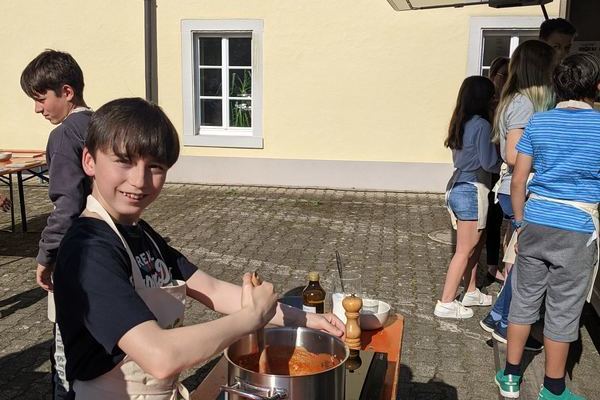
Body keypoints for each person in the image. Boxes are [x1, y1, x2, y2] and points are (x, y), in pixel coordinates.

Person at [53, 97, 345, 399]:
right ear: (89, 160)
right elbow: (160, 356)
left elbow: (213, 290)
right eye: (124, 161)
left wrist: (308, 320)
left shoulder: (141, 234)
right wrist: (249, 318)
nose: (139, 180)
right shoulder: (87, 251)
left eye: (155, 166)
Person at [495, 52, 600, 400]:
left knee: (523, 300)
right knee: (564, 309)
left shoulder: (539, 123)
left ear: (556, 86)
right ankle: (553, 389)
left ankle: (510, 377)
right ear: (596, 86)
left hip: (536, 220)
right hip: (578, 227)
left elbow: (518, 179)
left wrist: (520, 222)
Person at [20, 49, 93, 399]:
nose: (37, 109)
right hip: (112, 251)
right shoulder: (105, 123)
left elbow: (67, 205)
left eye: (40, 98)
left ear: (66, 92)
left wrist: (45, 255)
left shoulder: (65, 135)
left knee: (67, 358)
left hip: (76, 258)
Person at [479, 40, 556, 345]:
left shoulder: (520, 100)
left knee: (522, 259)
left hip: (519, 189)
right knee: (528, 263)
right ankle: (505, 322)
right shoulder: (524, 102)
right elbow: (513, 154)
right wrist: (554, 153)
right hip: (519, 190)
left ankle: (500, 318)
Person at [434, 76, 500, 319]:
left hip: (459, 185)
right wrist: (506, 161)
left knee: (475, 244)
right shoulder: (482, 125)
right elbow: (488, 162)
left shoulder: (461, 121)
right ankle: (446, 301)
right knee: (464, 249)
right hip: (472, 188)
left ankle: (470, 290)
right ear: (484, 99)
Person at [486, 56, 510, 284]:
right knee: (492, 219)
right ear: (493, 75)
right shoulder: (488, 104)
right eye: (503, 75)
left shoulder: (512, 104)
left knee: (500, 219)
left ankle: (496, 262)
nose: (506, 80)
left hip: (503, 167)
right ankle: (492, 265)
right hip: (491, 166)